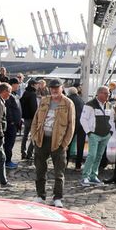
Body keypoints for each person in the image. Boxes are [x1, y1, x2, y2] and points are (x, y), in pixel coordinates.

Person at [30, 79, 75, 207]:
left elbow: (72, 125)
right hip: (42, 139)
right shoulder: (44, 101)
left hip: (58, 142)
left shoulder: (68, 103)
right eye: (52, 88)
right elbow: (35, 119)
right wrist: (34, 136)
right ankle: (40, 195)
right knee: (40, 169)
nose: (54, 90)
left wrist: (65, 143)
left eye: (57, 87)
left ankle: (57, 198)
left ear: (62, 88)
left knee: (58, 172)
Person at [79, 86, 113, 186]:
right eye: (106, 93)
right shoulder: (90, 104)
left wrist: (110, 132)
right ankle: (85, 176)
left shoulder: (109, 105)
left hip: (105, 135)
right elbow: (83, 119)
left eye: (108, 94)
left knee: (99, 156)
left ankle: (93, 176)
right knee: (92, 155)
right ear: (99, 94)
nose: (108, 95)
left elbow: (112, 119)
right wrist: (89, 132)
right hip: (94, 134)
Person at [3, 78, 22, 169]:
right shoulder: (8, 96)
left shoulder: (14, 94)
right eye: (17, 84)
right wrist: (12, 121)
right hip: (11, 125)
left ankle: (7, 160)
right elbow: (8, 110)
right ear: (13, 84)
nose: (18, 85)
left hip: (14, 124)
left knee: (10, 143)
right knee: (8, 143)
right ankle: (7, 161)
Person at [66, 86, 86, 170]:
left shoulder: (67, 99)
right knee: (80, 145)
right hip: (82, 124)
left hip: (73, 124)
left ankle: (65, 163)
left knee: (67, 143)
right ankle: (78, 165)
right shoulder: (81, 100)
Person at [20, 80, 39, 160]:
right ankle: (29, 153)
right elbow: (33, 107)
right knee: (34, 136)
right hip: (32, 118)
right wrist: (36, 117)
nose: (37, 86)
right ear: (32, 85)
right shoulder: (32, 94)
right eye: (36, 84)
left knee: (25, 136)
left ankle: (23, 152)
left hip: (26, 117)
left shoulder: (25, 92)